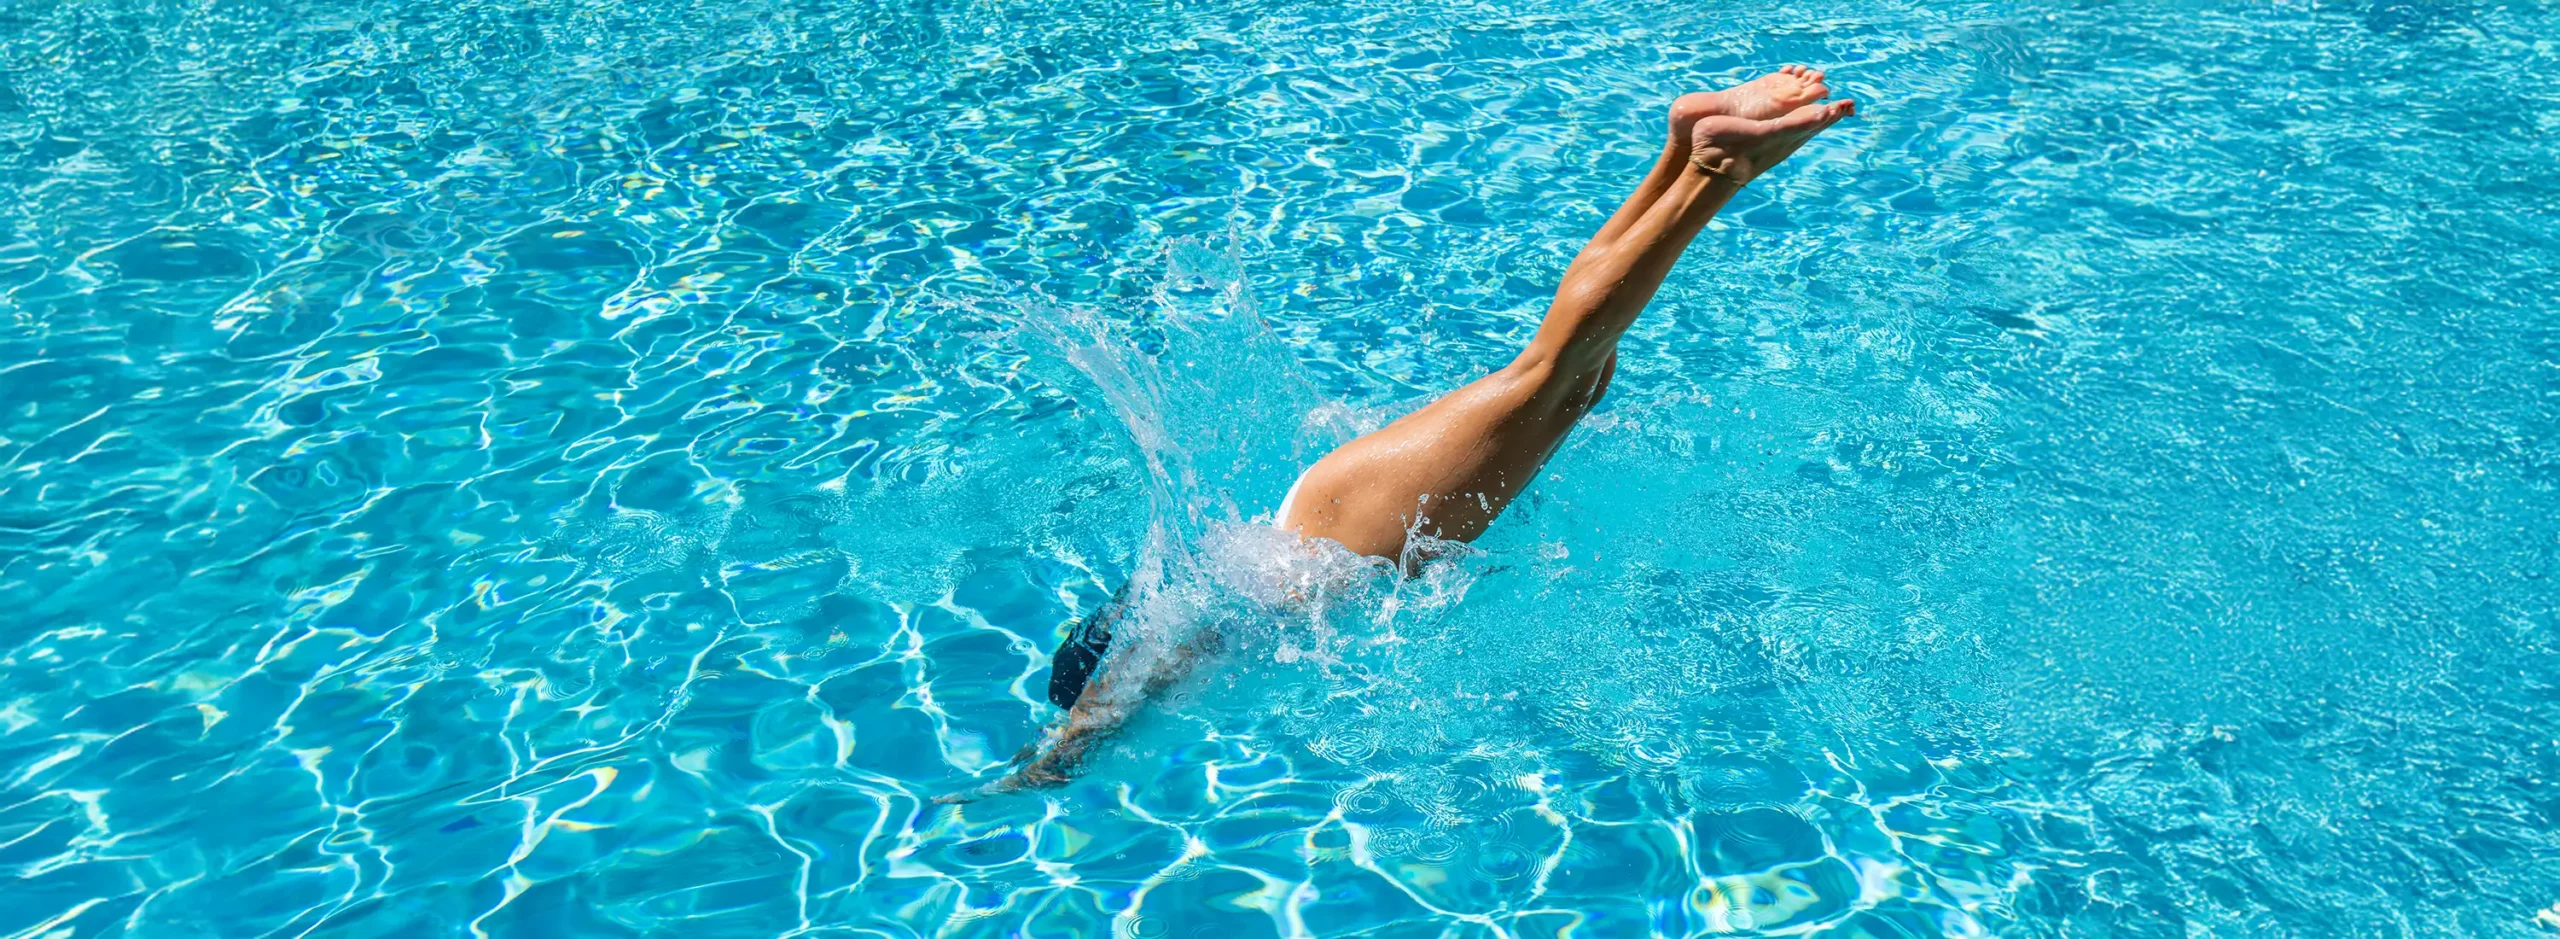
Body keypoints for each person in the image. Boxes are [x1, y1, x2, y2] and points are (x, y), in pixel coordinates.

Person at [949, 67, 1858, 801]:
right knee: (1566, 379)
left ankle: (1709, 171)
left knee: (1551, 371)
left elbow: (1086, 727)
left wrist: (1029, 772)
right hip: (1326, 509)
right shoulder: (1188, 608)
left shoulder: (1153, 650)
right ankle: (1680, 150)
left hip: (1350, 533)